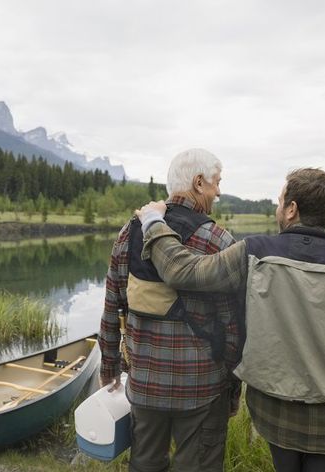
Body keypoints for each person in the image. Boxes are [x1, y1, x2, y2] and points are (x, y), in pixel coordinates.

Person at [136, 167, 325, 472]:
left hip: (275, 422)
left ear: (291, 209)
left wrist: (153, 221)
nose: (277, 207)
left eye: (279, 200)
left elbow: (183, 271)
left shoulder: (252, 253)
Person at [98, 148, 242, 472]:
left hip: (145, 384)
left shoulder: (128, 233)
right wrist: (232, 386)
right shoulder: (218, 240)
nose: (219, 191)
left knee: (146, 465)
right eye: (217, 183)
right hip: (203, 388)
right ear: (199, 182)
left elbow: (112, 307)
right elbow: (234, 326)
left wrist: (109, 367)